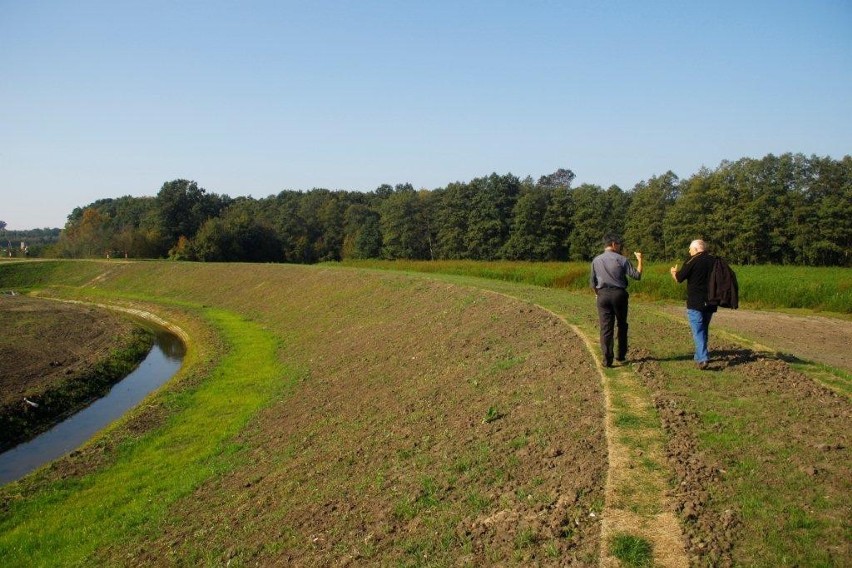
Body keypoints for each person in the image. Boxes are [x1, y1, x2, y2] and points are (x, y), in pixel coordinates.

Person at [590, 235, 643, 367]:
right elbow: (637, 275)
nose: (620, 247)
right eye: (619, 245)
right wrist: (640, 260)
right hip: (619, 294)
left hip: (603, 294)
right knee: (622, 324)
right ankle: (621, 354)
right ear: (614, 244)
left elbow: (592, 282)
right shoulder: (622, 259)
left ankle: (607, 359)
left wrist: (598, 294)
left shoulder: (596, 260)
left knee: (606, 327)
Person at [670, 239, 717, 369]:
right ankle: (699, 355)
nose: (689, 251)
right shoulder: (714, 260)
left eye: (690, 249)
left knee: (698, 330)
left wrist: (674, 272)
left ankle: (703, 359)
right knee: (704, 329)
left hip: (695, 301)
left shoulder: (692, 261)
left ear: (696, 249)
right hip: (711, 301)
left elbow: (679, 278)